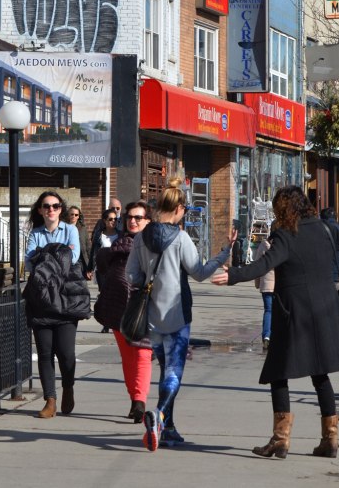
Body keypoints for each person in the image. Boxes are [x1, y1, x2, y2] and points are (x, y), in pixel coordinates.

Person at [212, 186, 339, 460]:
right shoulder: (326, 230)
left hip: (294, 314)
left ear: (284, 209)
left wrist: (232, 276)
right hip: (326, 312)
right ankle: (330, 440)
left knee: (278, 374)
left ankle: (280, 440)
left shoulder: (285, 235)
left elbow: (265, 264)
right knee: (320, 375)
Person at [126, 177, 236, 452]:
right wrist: (224, 254)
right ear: (177, 209)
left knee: (164, 370)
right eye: (184, 210)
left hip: (151, 315)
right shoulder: (181, 238)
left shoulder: (141, 238)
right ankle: (159, 415)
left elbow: (131, 275)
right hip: (177, 313)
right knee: (174, 372)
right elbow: (199, 273)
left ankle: (169, 429)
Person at [24, 191, 91, 419]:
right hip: (41, 298)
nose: (51, 209)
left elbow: (72, 260)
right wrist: (57, 253)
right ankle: (50, 400)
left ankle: (68, 388)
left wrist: (44, 255)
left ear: (61, 209)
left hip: (66, 298)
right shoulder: (35, 233)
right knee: (44, 352)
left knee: (66, 353)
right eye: (46, 206)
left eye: (55, 206)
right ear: (40, 210)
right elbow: (29, 263)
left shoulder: (70, 230)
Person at [94, 201, 152, 424]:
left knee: (142, 354)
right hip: (118, 309)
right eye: (130, 217)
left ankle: (140, 400)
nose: (133, 221)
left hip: (145, 308)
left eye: (138, 217)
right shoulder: (119, 245)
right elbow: (102, 264)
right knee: (128, 358)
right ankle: (134, 400)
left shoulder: (154, 245)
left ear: (148, 221)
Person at [88, 208, 122, 333]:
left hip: (116, 269)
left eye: (115, 219)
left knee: (116, 296)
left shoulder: (120, 234)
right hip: (102, 269)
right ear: (104, 221)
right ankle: (106, 323)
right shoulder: (99, 235)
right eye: (110, 219)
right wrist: (90, 268)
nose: (113, 222)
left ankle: (117, 322)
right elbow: (93, 252)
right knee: (105, 296)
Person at [253, 224, 276, 352]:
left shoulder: (263, 245)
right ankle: (278, 337)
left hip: (266, 284)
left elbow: (257, 265)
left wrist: (257, 283)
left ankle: (266, 336)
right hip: (280, 285)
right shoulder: (281, 245)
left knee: (268, 310)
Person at [66, 205, 90, 277]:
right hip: (68, 259)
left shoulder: (83, 229)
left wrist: (90, 265)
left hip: (81, 260)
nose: (74, 216)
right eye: (72, 214)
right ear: (68, 215)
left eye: (76, 215)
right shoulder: (64, 228)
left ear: (78, 216)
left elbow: (88, 245)